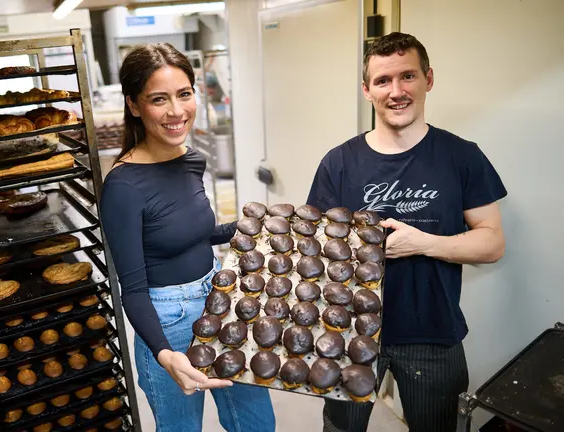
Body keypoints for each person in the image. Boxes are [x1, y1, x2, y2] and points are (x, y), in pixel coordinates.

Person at [306, 32, 507, 432]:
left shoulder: (462, 156)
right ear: (367, 90)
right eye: (382, 81)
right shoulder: (339, 163)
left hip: (434, 332)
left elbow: (493, 242)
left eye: (407, 77)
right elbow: (315, 248)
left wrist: (423, 243)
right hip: (349, 332)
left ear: (428, 79)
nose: (396, 91)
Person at [99, 43, 276, 432]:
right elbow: (132, 286)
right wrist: (163, 353)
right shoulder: (124, 187)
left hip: (219, 300)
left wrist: (249, 224)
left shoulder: (190, 159)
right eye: (158, 99)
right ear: (134, 106)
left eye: (184, 94)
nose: (177, 111)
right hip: (166, 318)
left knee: (257, 424)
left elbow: (188, 234)